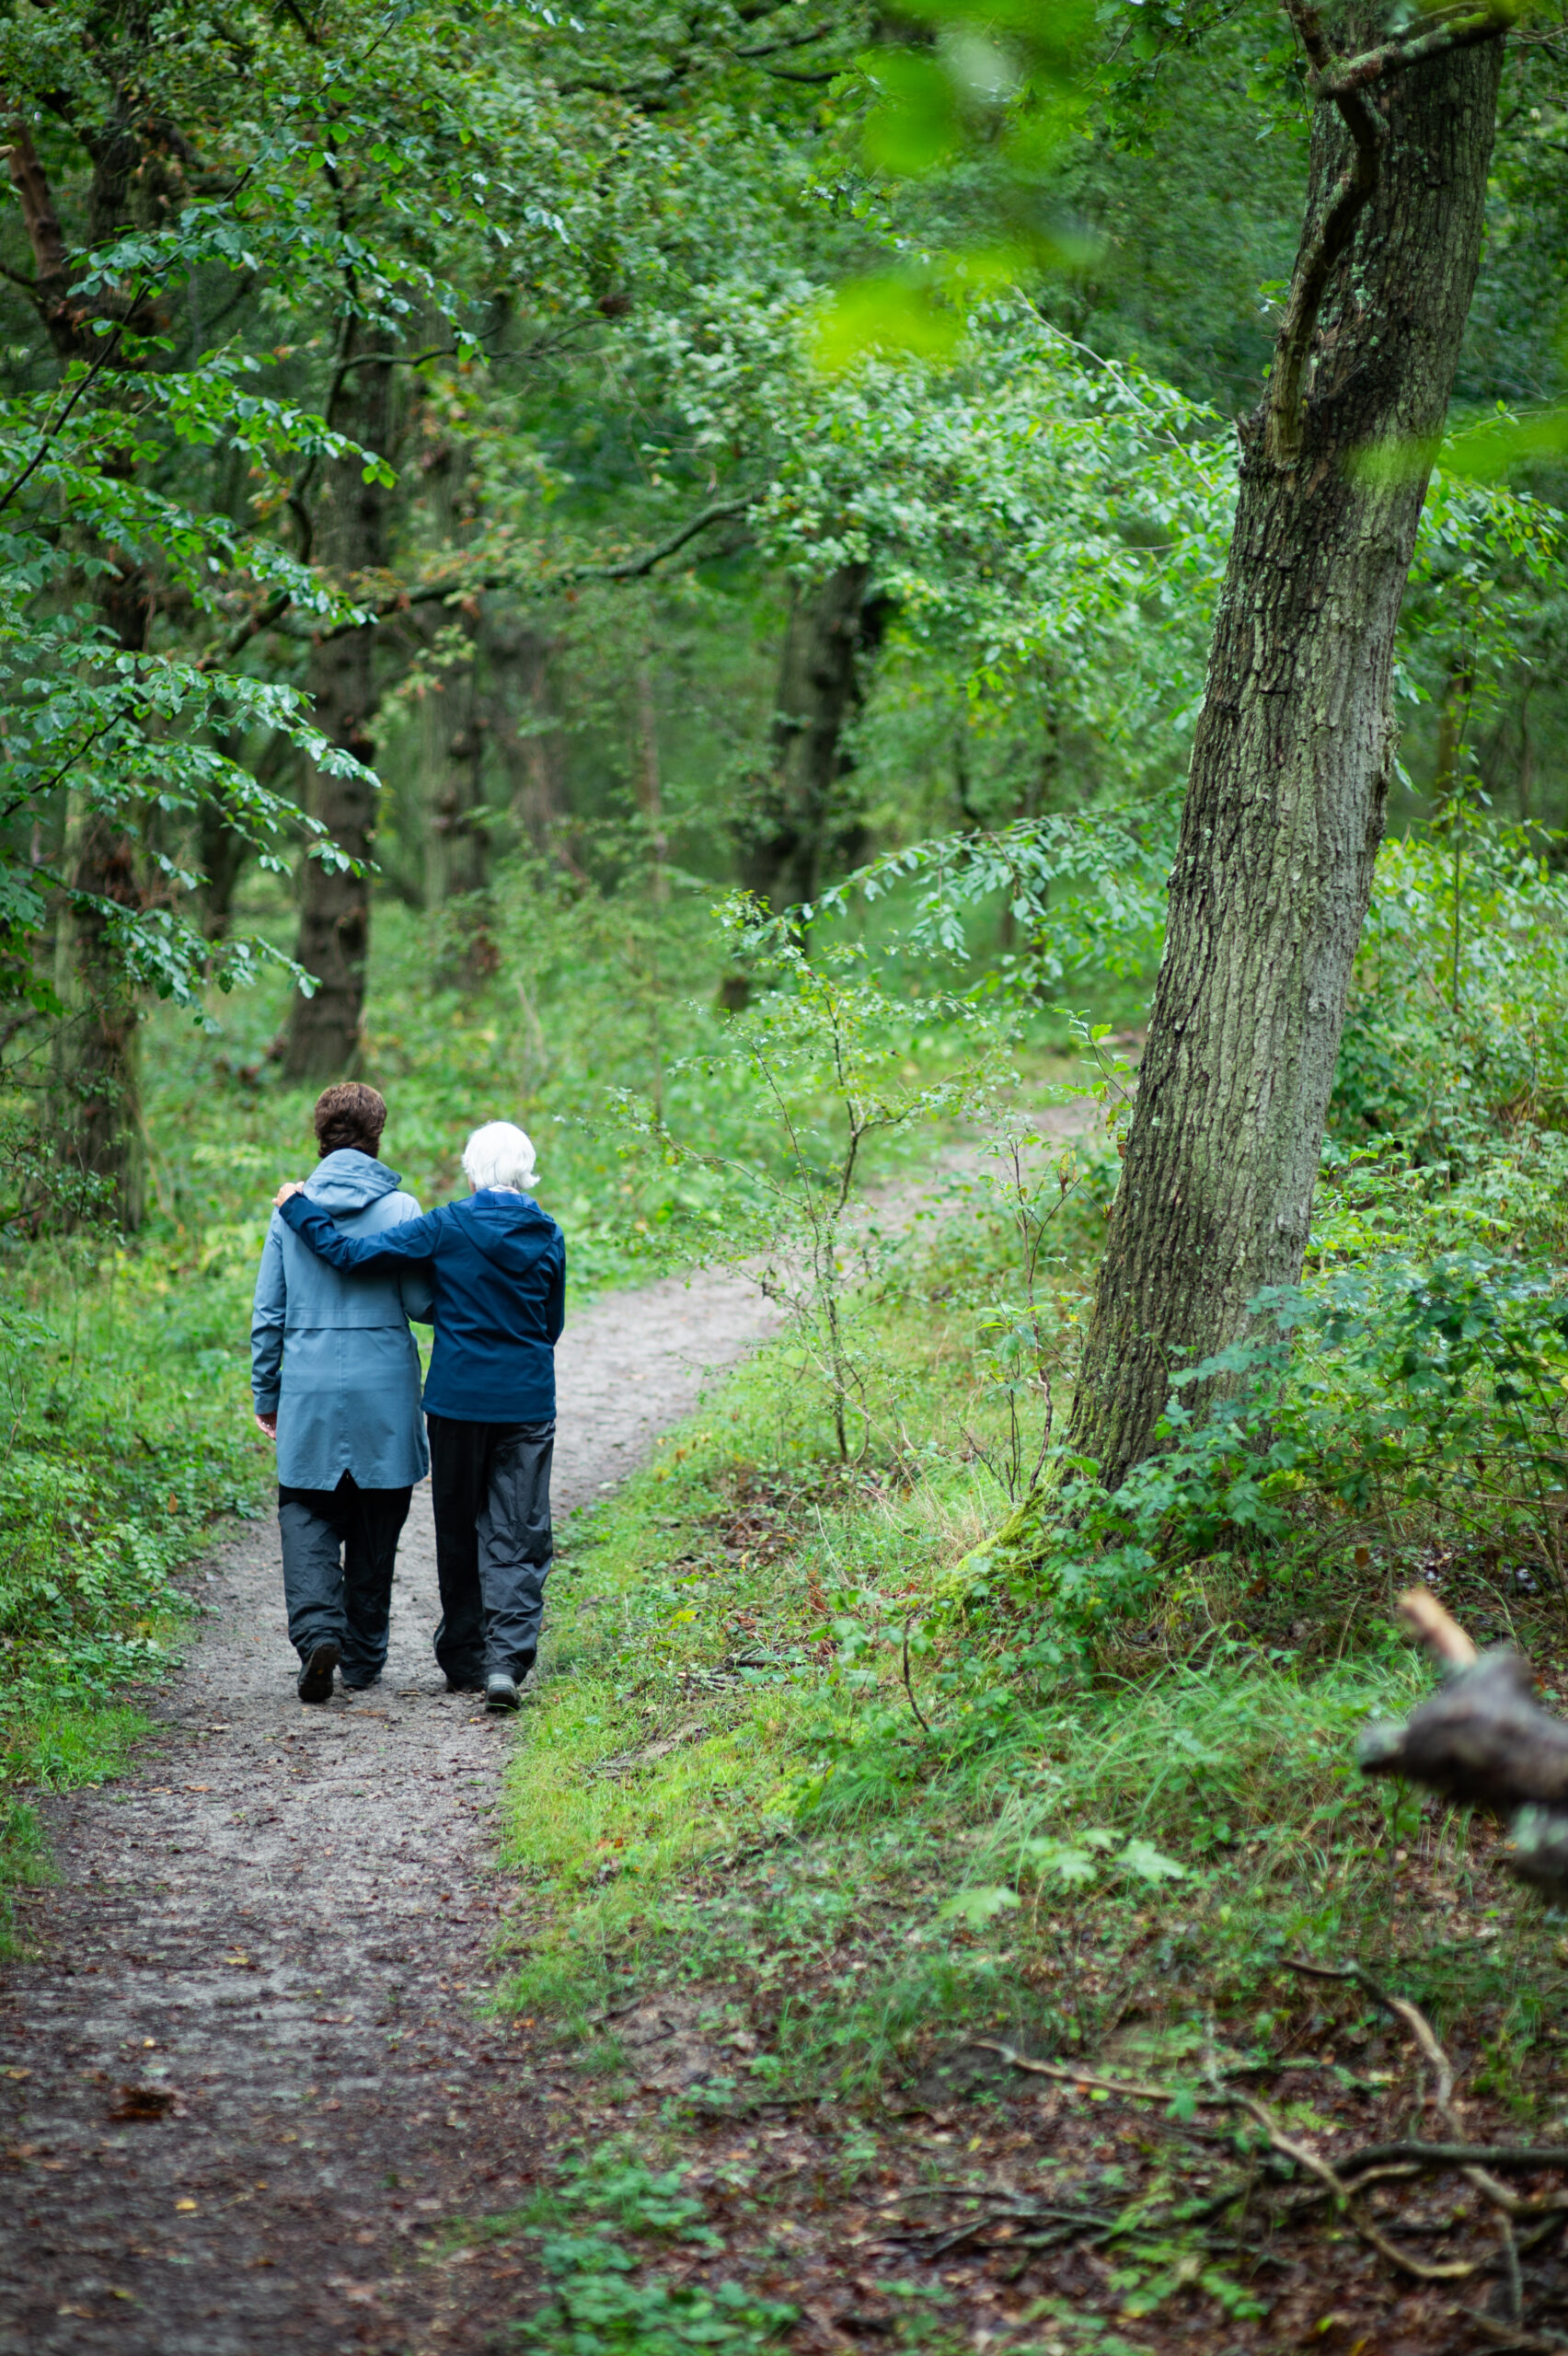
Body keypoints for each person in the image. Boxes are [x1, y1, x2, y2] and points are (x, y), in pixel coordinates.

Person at [272, 1120, 564, 1714]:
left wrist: (297, 1206)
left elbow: (347, 1255)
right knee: (519, 1531)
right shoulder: (549, 1234)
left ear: (472, 1169)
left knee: (458, 1531)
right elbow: (550, 1324)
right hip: (527, 1403)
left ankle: (463, 1658)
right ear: (527, 1169)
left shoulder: (447, 1223)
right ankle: (504, 1661)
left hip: (458, 1403)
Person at [251, 1083, 432, 1704]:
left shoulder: (288, 1211)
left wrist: (265, 1392)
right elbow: (417, 1301)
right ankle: (362, 1656)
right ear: (377, 1135)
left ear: (319, 1135)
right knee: (379, 1519)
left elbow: (269, 1315)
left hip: (310, 1388)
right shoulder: (404, 1208)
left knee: (305, 1510)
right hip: (385, 1387)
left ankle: (318, 1634)